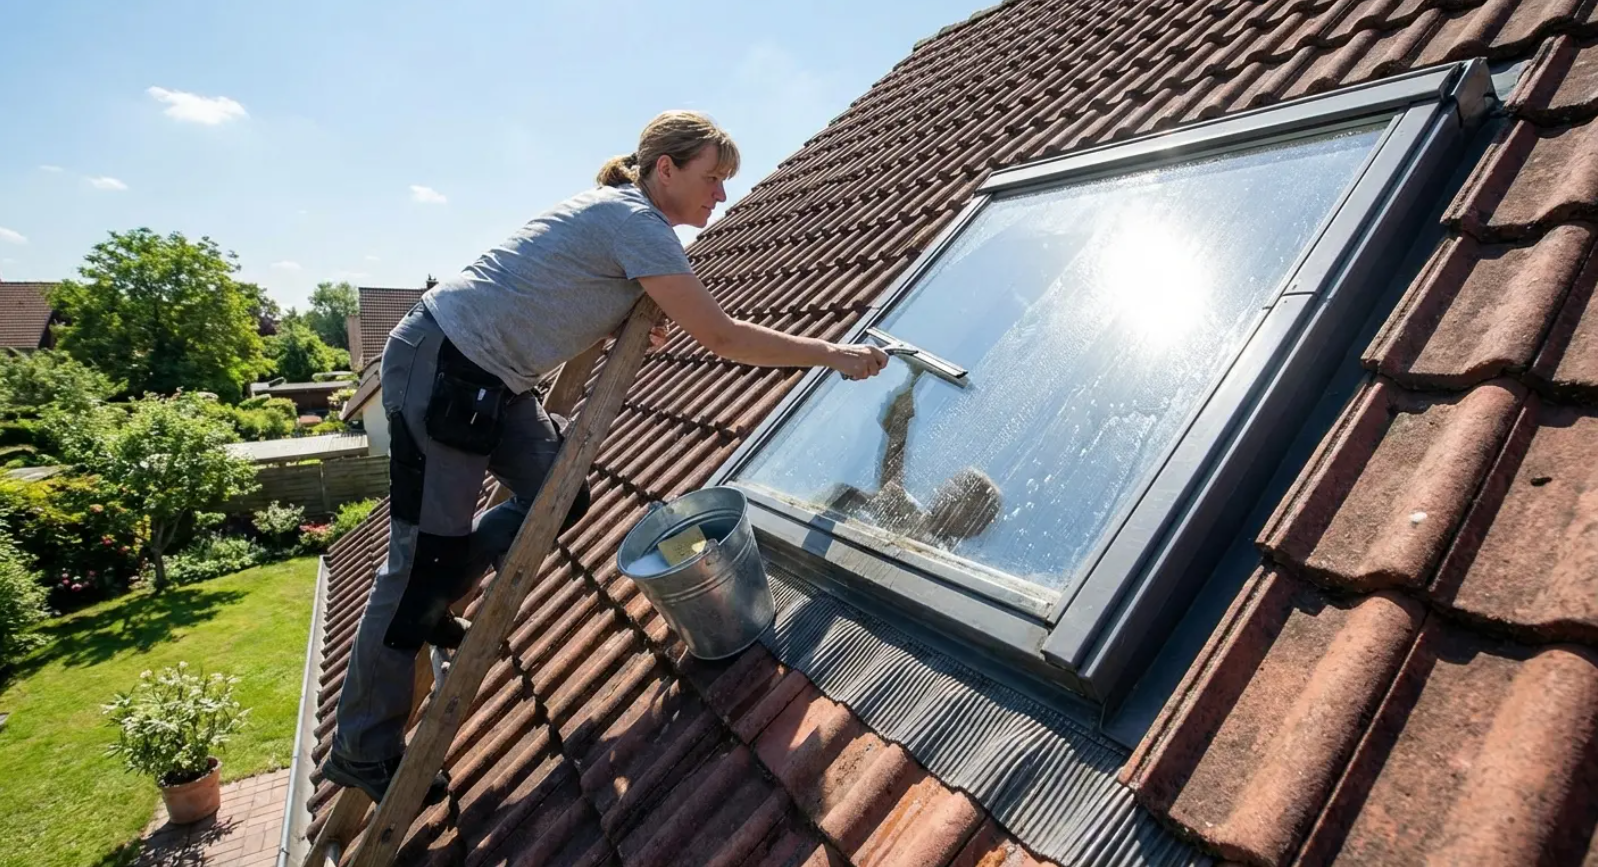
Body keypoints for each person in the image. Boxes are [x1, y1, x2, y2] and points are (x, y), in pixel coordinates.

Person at [323, 110, 889, 802]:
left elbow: (583, 290)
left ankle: (443, 589)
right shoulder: (636, 224)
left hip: (496, 381)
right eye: (712, 179)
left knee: (560, 493)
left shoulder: (630, 226)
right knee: (416, 565)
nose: (722, 196)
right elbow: (722, 337)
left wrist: (626, 309)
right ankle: (361, 748)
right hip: (444, 364)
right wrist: (834, 354)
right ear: (665, 170)